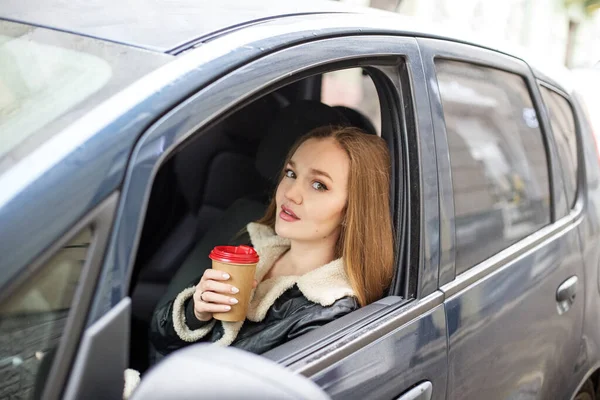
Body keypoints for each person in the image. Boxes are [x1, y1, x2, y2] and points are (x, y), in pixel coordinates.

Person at [148, 125, 395, 358]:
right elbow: (160, 339)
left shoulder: (328, 310)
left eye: (319, 185)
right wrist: (196, 311)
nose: (290, 193)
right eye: (291, 173)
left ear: (352, 210)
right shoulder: (255, 244)